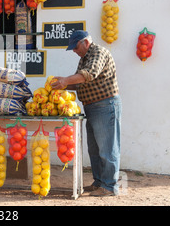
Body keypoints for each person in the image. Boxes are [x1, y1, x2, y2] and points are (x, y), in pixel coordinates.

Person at [51, 30, 122, 197]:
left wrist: (66, 80)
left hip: (105, 105)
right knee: (95, 149)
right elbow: (80, 83)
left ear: (85, 43)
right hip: (93, 106)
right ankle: (99, 182)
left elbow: (88, 75)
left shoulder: (98, 52)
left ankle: (110, 186)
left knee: (107, 148)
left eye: (75, 47)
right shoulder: (84, 58)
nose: (74, 51)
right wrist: (63, 84)